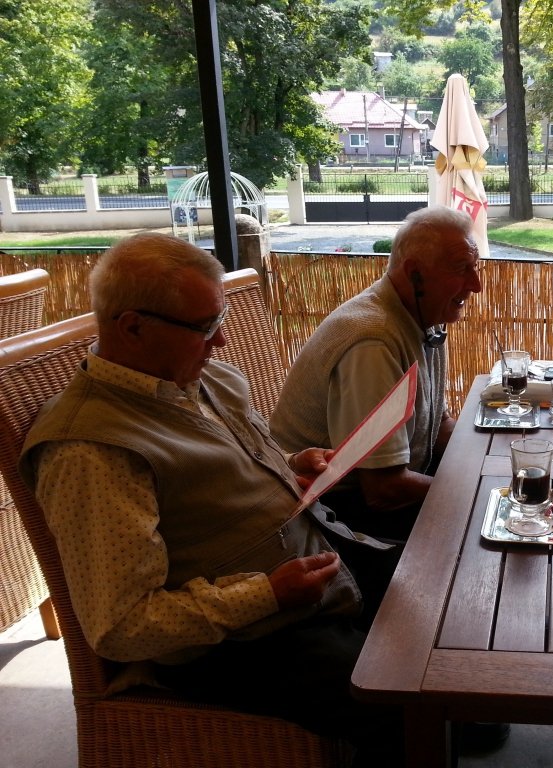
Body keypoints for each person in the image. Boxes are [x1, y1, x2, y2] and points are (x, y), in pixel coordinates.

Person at [19, 233, 402, 764]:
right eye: (205, 327)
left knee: (439, 601)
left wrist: (291, 464)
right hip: (239, 642)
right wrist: (268, 595)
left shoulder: (199, 378)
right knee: (396, 696)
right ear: (132, 327)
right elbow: (123, 626)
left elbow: (214, 470)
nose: (221, 342)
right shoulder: (93, 450)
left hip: (313, 561)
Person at [271, 206, 482, 542]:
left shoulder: (422, 316)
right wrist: (478, 491)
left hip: (391, 487)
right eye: (461, 269)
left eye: (475, 267)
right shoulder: (374, 342)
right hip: (334, 516)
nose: (477, 285)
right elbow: (384, 489)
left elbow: (439, 424)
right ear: (414, 274)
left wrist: (487, 461)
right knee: (482, 533)